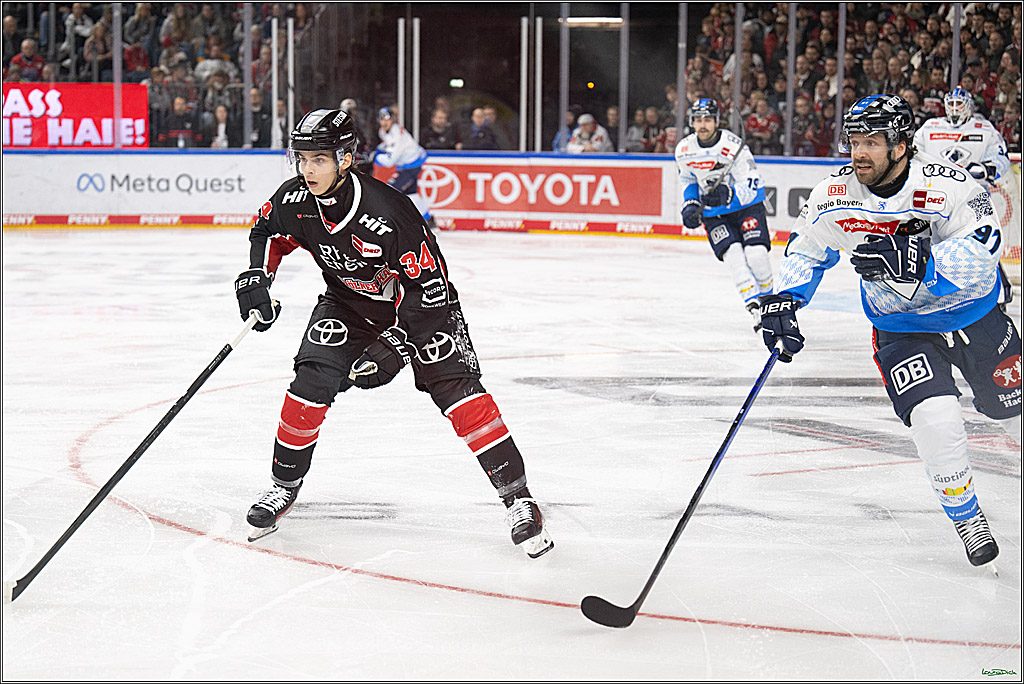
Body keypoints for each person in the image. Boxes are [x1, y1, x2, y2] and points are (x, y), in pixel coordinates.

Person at [234, 109, 554, 559]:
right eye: (302, 159)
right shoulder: (294, 198)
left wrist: (398, 345)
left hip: (422, 311)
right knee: (310, 382)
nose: (308, 170)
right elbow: (268, 232)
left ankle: (519, 500)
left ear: (346, 159)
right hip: (348, 306)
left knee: (459, 394)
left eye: (319, 159)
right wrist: (256, 278)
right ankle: (283, 486)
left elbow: (432, 289)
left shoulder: (390, 211)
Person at [758, 94, 1021, 571]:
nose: (859, 152)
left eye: (872, 142)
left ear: (900, 146)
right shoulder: (833, 195)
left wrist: (921, 261)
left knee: (1016, 413)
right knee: (936, 421)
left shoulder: (949, 184)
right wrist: (786, 299)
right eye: (854, 141)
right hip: (900, 328)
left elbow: (987, 245)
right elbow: (807, 246)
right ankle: (967, 518)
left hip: (976, 317)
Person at [675, 98, 773, 331]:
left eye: (708, 119)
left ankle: (770, 302)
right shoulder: (684, 150)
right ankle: (754, 308)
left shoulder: (733, 145)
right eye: (698, 120)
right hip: (714, 215)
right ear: (692, 122)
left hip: (746, 208)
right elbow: (688, 179)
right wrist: (690, 204)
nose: (703, 125)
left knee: (757, 255)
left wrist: (729, 194)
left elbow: (754, 183)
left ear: (717, 121)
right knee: (734, 256)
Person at [913, 87, 1011, 189]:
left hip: (973, 189)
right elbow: (914, 152)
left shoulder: (985, 128)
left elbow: (1000, 157)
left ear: (968, 105)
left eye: (959, 104)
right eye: (951, 104)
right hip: (936, 189)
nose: (954, 108)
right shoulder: (930, 126)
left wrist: (986, 170)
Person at [374, 106, 434, 227]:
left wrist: (376, 157)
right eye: (382, 119)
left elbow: (390, 161)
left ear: (393, 119)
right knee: (411, 194)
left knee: (390, 190)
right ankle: (430, 220)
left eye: (387, 119)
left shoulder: (396, 135)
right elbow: (387, 146)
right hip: (409, 164)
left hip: (411, 166)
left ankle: (389, 222)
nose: (384, 122)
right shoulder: (385, 131)